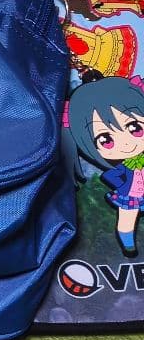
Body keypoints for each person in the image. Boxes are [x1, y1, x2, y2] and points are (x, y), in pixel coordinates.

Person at [68, 76, 144, 256]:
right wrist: (122, 184)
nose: (127, 143)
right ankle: (128, 245)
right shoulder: (120, 168)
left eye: (135, 128)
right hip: (130, 195)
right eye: (106, 140)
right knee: (126, 219)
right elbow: (109, 175)